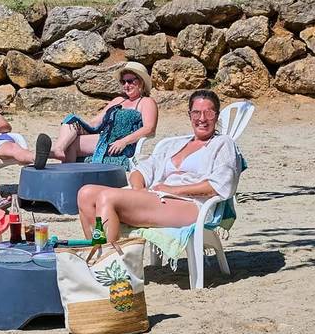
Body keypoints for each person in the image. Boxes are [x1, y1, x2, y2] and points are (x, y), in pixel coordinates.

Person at [75, 89, 240, 245]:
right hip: (158, 197)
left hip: (191, 204)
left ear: (217, 116)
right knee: (86, 193)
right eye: (196, 112)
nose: (202, 118)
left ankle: (109, 264)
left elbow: (220, 185)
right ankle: (97, 254)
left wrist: (172, 190)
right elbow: (140, 171)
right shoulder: (176, 144)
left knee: (107, 197)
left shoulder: (223, 144)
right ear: (189, 115)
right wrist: (139, 190)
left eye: (209, 113)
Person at [40, 62, 157, 168]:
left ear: (141, 82)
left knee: (73, 145)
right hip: (104, 137)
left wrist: (124, 141)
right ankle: (58, 149)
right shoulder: (118, 100)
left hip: (121, 144)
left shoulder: (146, 102)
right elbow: (95, 122)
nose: (126, 85)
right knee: (71, 120)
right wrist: (79, 127)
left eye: (130, 81)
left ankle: (62, 172)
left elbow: (149, 129)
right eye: (123, 82)